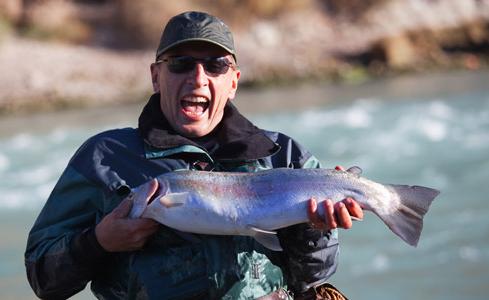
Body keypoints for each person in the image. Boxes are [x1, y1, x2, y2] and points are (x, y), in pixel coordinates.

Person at [25, 11, 363, 300]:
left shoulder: (284, 156)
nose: (198, 78)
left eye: (216, 65)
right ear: (156, 77)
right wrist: (98, 242)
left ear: (233, 82)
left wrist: (313, 229)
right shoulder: (103, 158)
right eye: (180, 63)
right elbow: (43, 279)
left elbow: (313, 277)